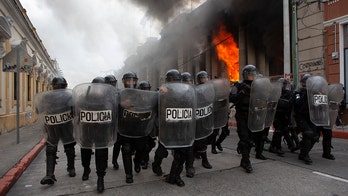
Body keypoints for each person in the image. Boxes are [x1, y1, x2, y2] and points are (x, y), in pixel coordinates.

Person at [77, 76, 118, 193]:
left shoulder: (110, 98)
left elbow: (114, 112)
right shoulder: (83, 98)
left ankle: (101, 178)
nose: (98, 90)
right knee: (85, 152)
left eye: (101, 88)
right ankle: (86, 168)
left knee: (101, 154)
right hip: (87, 130)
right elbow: (75, 110)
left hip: (102, 131)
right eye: (96, 87)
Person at [35, 77, 76, 185]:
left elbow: (38, 110)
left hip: (58, 126)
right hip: (58, 126)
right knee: (63, 147)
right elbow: (74, 111)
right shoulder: (67, 95)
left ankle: (55, 172)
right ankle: (65, 170)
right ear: (65, 85)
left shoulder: (65, 96)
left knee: (58, 148)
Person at [159, 69, 195, 187]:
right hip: (169, 128)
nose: (174, 83)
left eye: (176, 80)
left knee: (182, 153)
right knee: (166, 151)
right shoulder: (162, 91)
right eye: (172, 80)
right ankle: (159, 167)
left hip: (182, 126)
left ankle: (175, 176)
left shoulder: (186, 91)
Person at [118, 72, 150, 183]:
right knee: (126, 149)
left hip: (139, 127)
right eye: (128, 80)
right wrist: (121, 104)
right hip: (125, 127)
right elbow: (113, 107)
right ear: (124, 81)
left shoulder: (140, 93)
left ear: (136, 81)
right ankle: (128, 174)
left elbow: (148, 105)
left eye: (133, 80)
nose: (131, 83)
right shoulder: (119, 94)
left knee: (141, 148)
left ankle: (137, 161)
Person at [230, 64, 260, 173]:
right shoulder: (238, 86)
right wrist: (241, 94)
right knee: (245, 139)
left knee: (251, 140)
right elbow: (231, 98)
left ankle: (243, 158)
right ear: (245, 75)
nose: (252, 76)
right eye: (250, 75)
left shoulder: (257, 86)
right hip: (242, 115)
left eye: (254, 74)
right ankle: (247, 162)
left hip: (253, 115)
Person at [293, 74, 320, 165]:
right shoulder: (298, 92)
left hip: (312, 116)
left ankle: (302, 151)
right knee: (308, 134)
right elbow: (297, 103)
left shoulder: (315, 92)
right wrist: (305, 94)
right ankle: (305, 155)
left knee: (315, 136)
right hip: (301, 117)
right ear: (304, 83)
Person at [192, 71, 213, 170]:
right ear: (199, 79)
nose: (204, 80)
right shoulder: (195, 89)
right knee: (197, 140)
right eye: (202, 78)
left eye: (205, 78)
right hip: (197, 119)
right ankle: (193, 162)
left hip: (206, 117)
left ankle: (204, 159)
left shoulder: (210, 88)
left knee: (204, 139)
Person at [269, 78, 292, 156]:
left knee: (281, 131)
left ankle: (272, 146)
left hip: (285, 115)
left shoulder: (288, 93)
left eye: (282, 84)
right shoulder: (275, 93)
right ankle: (278, 148)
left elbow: (290, 103)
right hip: (277, 115)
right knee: (278, 131)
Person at [137, 81, 157, 169]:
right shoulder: (137, 99)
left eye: (147, 89)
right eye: (143, 89)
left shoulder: (152, 99)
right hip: (141, 126)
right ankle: (144, 160)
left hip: (150, 125)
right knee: (143, 145)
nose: (145, 91)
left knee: (151, 144)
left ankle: (142, 158)